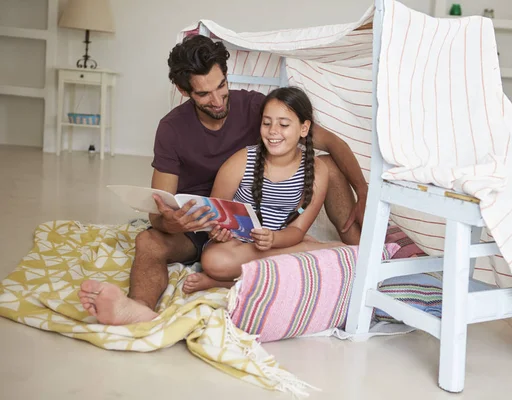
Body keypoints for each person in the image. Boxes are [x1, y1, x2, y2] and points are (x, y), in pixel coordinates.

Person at [78, 34, 367, 326]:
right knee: (148, 241)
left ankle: (361, 255)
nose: (217, 101)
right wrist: (173, 223)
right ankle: (137, 307)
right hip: (199, 224)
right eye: (204, 94)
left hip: (250, 220)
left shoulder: (257, 108)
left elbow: (333, 144)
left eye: (221, 86)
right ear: (183, 90)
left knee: (327, 165)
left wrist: (364, 190)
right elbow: (159, 211)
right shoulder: (171, 129)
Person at [183, 87, 345, 294]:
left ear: (304, 128)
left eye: (284, 124)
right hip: (235, 247)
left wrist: (274, 240)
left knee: (336, 256)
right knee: (214, 262)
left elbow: (297, 229)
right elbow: (215, 214)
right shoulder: (242, 161)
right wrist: (217, 233)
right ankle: (297, 256)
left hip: (281, 241)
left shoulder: (317, 170)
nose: (273, 131)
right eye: (266, 123)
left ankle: (228, 282)